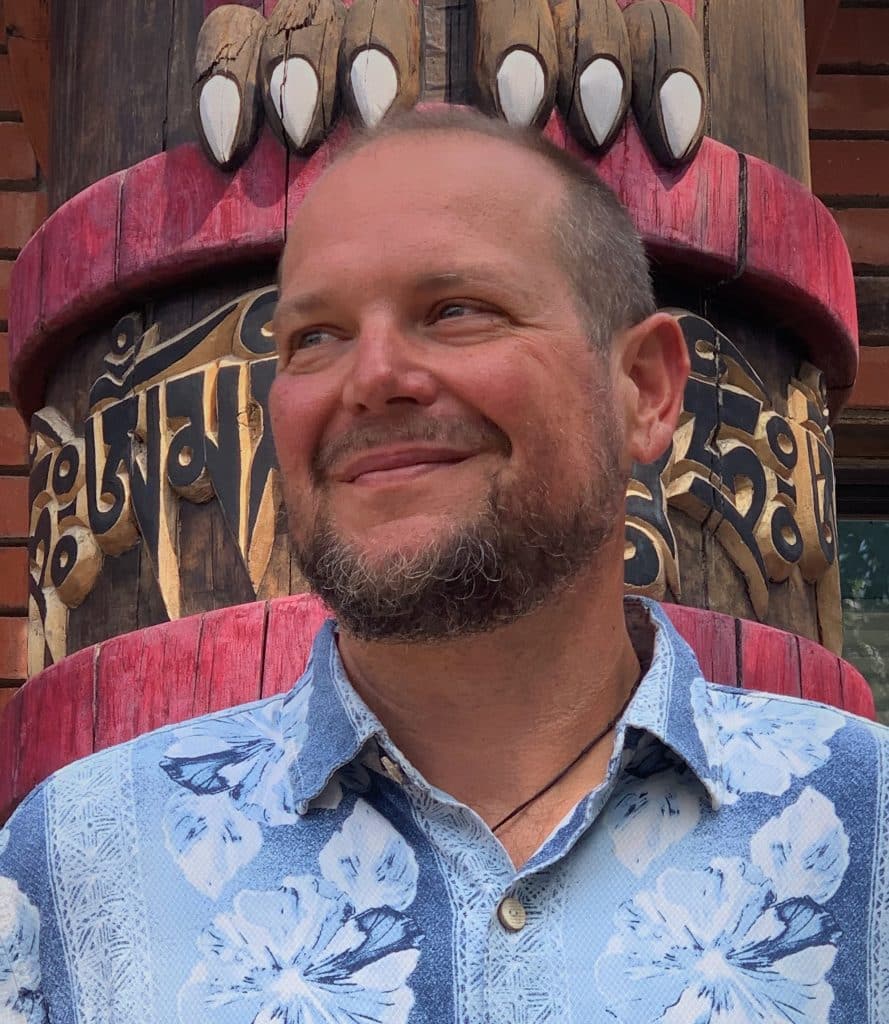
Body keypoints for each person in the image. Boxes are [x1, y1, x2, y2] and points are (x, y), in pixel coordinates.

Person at [1, 105, 887, 1024]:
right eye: (314, 337)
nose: (372, 378)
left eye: (456, 311)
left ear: (645, 389)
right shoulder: (78, 863)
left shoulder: (868, 830)